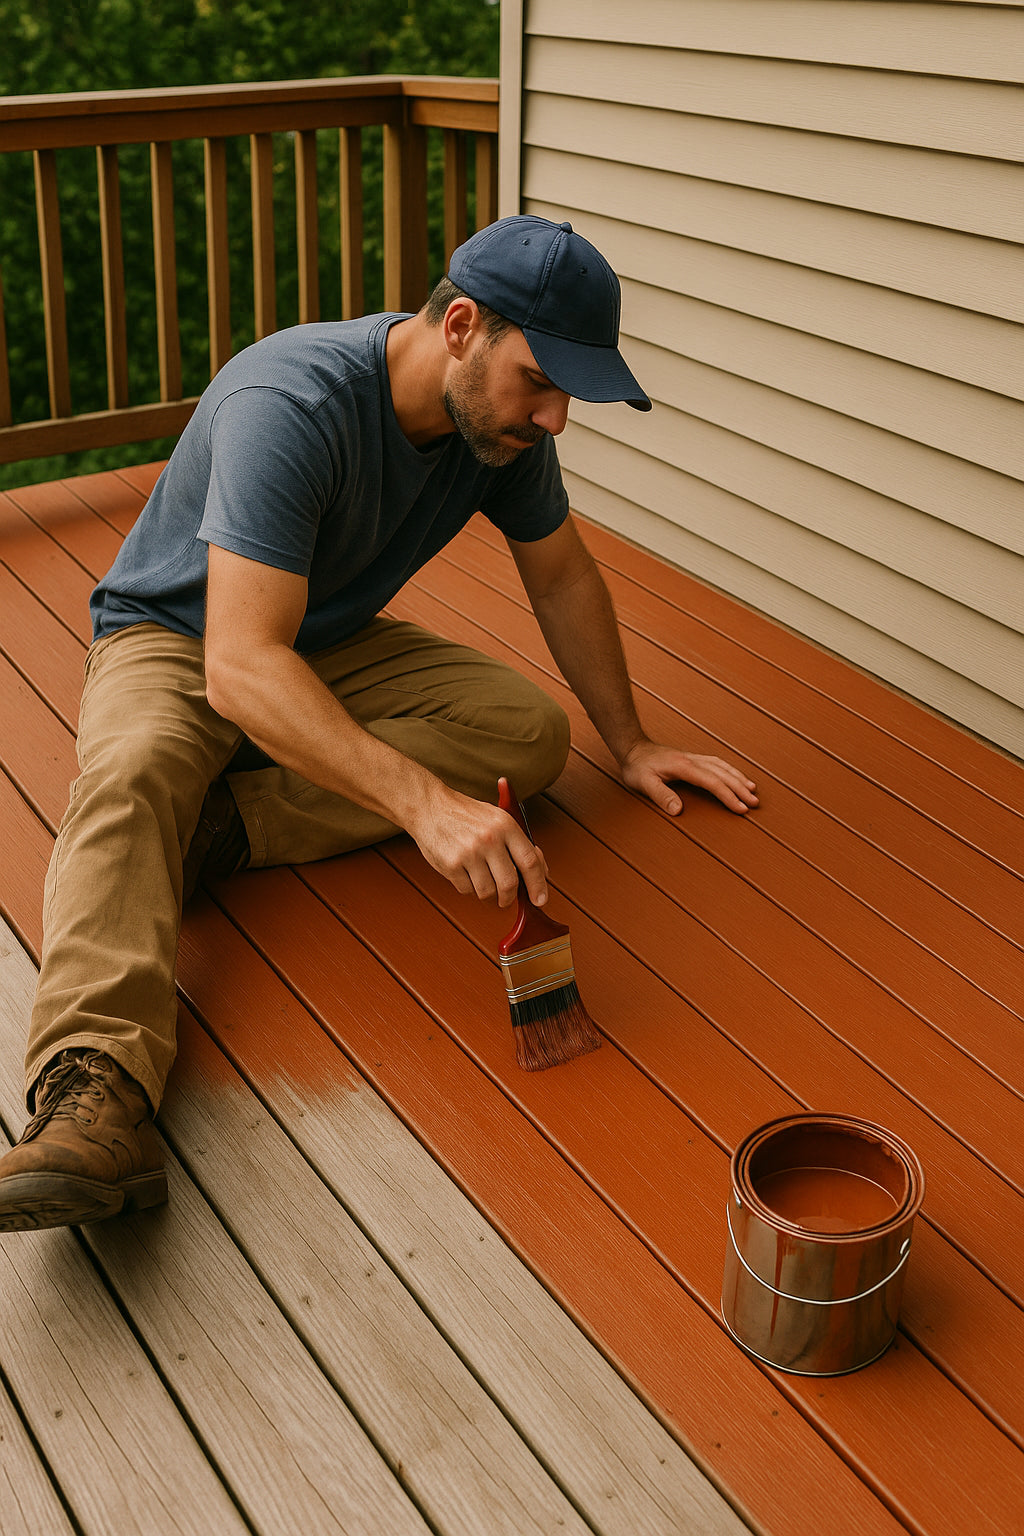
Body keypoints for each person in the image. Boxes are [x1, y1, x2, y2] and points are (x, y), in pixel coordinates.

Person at [0, 214, 757, 1233]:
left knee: (527, 736)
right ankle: (93, 1094)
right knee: (133, 772)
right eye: (541, 380)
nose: (557, 416)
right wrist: (422, 807)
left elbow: (563, 573)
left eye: (568, 391)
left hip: (330, 636)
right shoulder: (294, 402)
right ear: (459, 326)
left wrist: (628, 743)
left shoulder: (498, 430)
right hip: (184, 637)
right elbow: (239, 661)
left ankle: (220, 828)